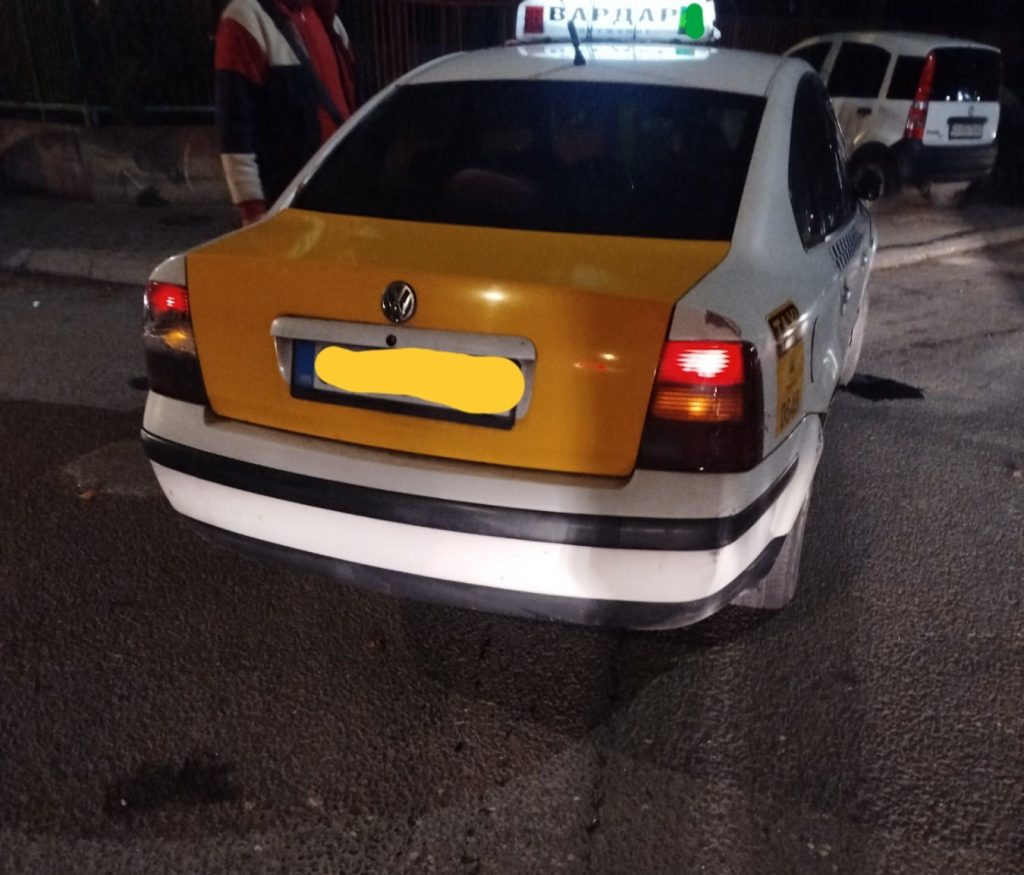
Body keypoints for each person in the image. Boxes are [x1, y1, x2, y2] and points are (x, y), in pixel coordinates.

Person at [214, 0, 356, 225]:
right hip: (287, 200)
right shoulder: (245, 18)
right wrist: (252, 209)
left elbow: (348, 100)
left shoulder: (328, 19)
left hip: (338, 192)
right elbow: (234, 127)